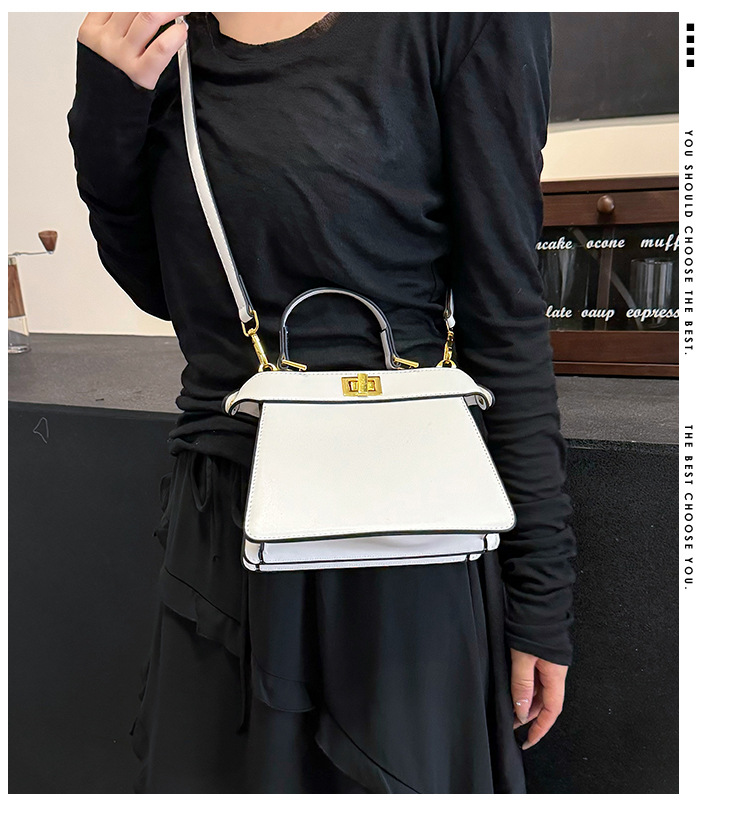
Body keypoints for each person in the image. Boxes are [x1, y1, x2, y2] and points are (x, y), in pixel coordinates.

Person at [66, 11, 577, 794]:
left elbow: (504, 312)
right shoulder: (162, 32)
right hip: (224, 542)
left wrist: (542, 593)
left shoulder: (461, 21)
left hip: (405, 545)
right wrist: (108, 103)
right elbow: (163, 286)